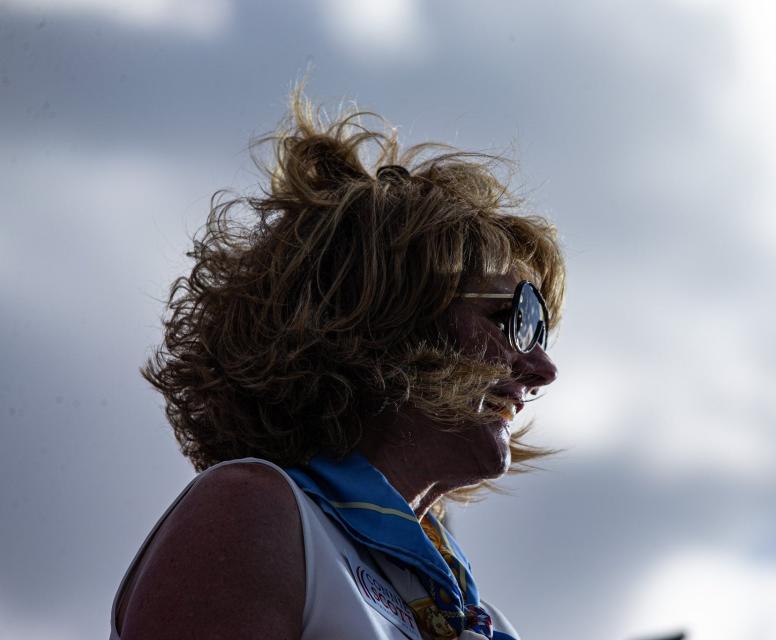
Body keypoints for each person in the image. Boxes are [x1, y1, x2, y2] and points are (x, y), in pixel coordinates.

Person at [108, 88, 565, 640]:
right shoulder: (253, 513)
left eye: (539, 330)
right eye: (508, 318)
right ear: (383, 319)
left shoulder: (479, 620)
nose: (542, 368)